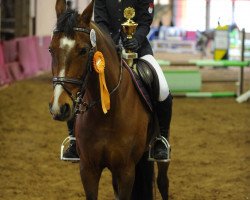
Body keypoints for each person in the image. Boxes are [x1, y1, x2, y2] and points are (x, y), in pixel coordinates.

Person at [63, 0, 172, 162]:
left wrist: (136, 40)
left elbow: (145, 22)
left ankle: (161, 140)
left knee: (162, 87)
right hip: (107, 49)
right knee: (78, 81)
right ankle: (74, 139)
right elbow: (101, 22)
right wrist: (111, 44)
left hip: (139, 49)